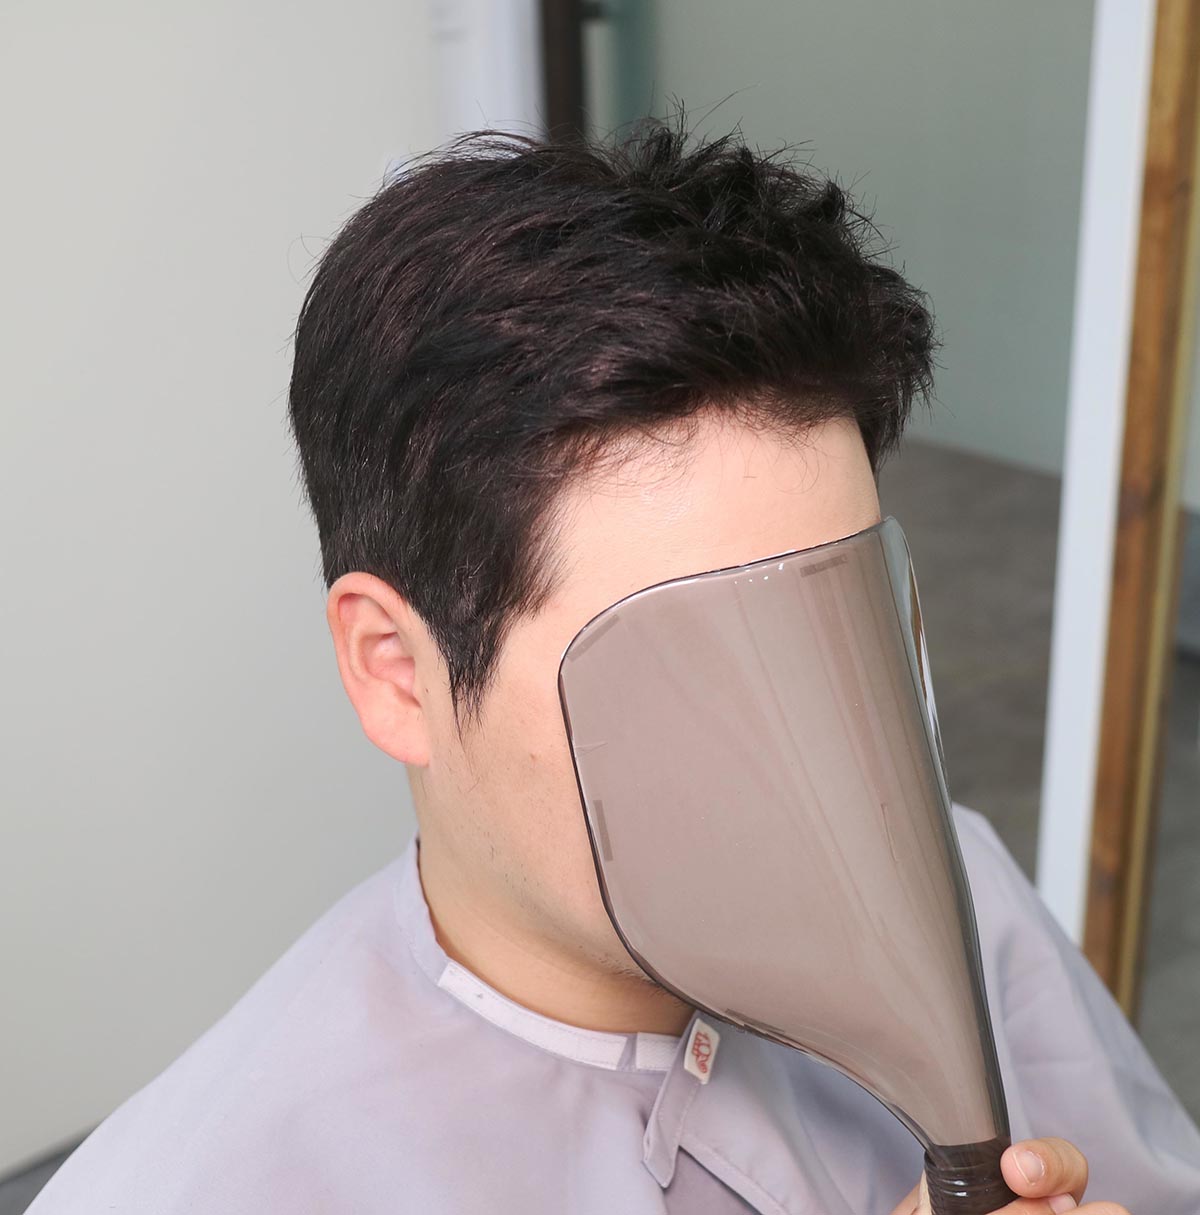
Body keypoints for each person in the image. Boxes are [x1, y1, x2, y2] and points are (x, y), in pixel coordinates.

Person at [29, 117, 1200, 1215]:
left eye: (830, 633)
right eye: (681, 666)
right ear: (397, 672)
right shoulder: (200, 1188)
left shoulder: (960, 899)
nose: (791, 766)